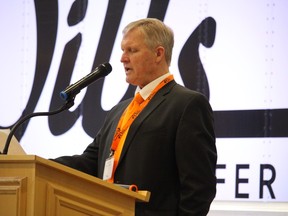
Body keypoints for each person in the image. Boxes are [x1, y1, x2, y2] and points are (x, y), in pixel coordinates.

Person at [53, 18, 217, 216]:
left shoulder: (187, 104)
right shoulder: (119, 111)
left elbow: (199, 189)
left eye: (132, 50)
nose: (123, 58)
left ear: (158, 54)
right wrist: (39, 164)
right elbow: (91, 162)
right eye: (123, 50)